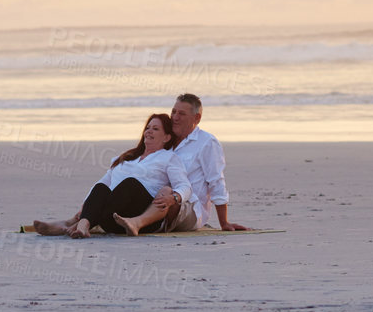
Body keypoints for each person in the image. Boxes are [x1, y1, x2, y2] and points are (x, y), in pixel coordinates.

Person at [33, 113, 191, 238]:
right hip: (111, 219)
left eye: (155, 129)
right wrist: (86, 205)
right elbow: (103, 183)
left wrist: (175, 197)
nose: (148, 131)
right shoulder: (126, 158)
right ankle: (82, 225)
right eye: (148, 127)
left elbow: (185, 186)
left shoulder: (169, 158)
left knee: (130, 183)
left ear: (167, 137)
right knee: (101, 187)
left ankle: (71, 225)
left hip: (138, 212)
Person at [137, 93, 248, 232]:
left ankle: (149, 223)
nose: (175, 118)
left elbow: (216, 181)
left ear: (197, 118)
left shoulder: (207, 142)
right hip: (158, 200)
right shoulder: (165, 139)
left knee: (169, 195)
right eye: (174, 112)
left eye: (182, 114)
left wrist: (224, 222)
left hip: (189, 208)